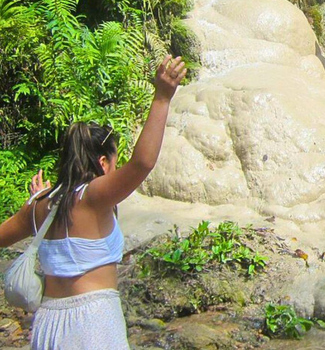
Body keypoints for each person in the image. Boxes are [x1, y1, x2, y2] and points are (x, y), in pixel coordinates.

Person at [0, 56, 187, 349]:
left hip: (47, 325)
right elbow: (142, 163)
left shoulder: (40, 205)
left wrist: (36, 202)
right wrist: (162, 97)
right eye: (114, 163)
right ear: (102, 163)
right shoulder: (94, 196)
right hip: (92, 324)